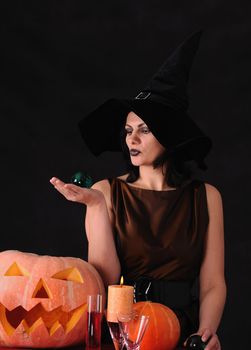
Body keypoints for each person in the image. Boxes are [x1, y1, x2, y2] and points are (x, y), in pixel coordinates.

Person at [50, 31, 226, 349]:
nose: (132, 139)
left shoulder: (206, 197)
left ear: (170, 136)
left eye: (144, 130)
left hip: (184, 332)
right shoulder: (105, 192)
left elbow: (213, 282)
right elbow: (103, 282)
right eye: (129, 130)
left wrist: (206, 333)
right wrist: (96, 207)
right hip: (124, 332)